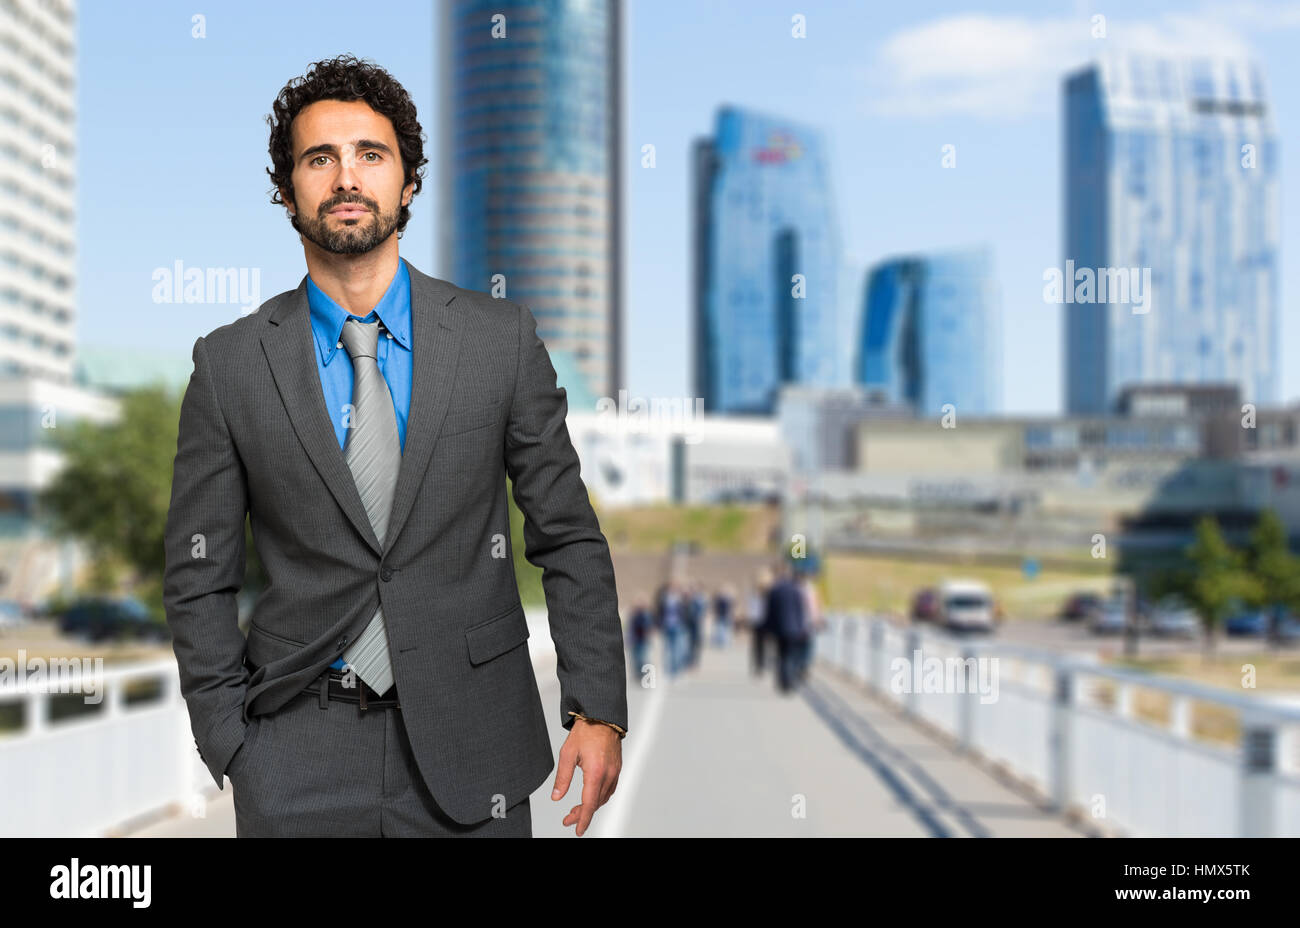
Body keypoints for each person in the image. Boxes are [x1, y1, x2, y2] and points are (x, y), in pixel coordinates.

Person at [163, 56, 626, 839]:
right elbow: (197, 573)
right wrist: (232, 743)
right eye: (320, 158)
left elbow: (566, 531)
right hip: (294, 756)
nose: (347, 177)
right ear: (286, 191)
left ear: (408, 182)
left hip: (475, 747)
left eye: (371, 155)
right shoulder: (230, 364)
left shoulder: (498, 341)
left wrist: (597, 707)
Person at [765, 562, 808, 694]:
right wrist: (802, 627)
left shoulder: (774, 589)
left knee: (781, 655)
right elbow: (800, 610)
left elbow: (770, 612)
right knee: (791, 655)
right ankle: (789, 681)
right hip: (794, 628)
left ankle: (782, 681)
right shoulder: (796, 589)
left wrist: (769, 628)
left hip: (779, 628)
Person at [748, 567, 773, 676]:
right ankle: (761, 664)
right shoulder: (766, 592)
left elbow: (752, 606)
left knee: (758, 644)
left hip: (758, 619)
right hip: (764, 619)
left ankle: (760, 665)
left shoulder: (757, 591)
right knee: (765, 643)